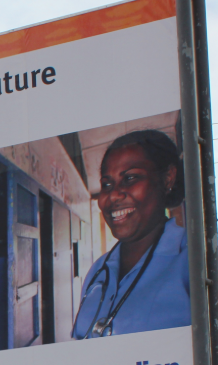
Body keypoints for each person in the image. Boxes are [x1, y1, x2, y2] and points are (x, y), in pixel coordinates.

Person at [73, 129, 190, 339]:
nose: (113, 195)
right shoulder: (98, 270)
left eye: (130, 178)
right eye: (106, 184)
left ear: (167, 179)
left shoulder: (192, 258)